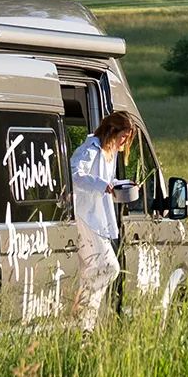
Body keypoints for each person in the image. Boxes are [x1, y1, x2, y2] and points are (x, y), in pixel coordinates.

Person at [69, 110, 137, 331]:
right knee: (108, 267)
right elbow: (75, 174)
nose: (123, 142)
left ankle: (84, 324)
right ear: (112, 130)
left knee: (95, 268)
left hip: (98, 217)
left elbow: (108, 179)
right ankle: (83, 315)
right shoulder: (92, 148)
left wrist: (123, 183)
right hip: (87, 216)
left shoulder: (110, 151)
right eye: (123, 137)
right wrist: (100, 185)